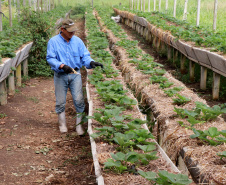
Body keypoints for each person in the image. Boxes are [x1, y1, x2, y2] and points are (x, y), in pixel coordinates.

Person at [46, 19, 103, 135]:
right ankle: (62, 124)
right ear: (62, 30)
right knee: (61, 101)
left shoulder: (77, 41)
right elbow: (50, 58)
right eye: (70, 32)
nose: (73, 34)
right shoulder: (53, 42)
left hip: (75, 74)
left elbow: (85, 56)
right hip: (60, 75)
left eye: (74, 31)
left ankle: (79, 126)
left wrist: (91, 62)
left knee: (79, 100)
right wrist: (61, 65)